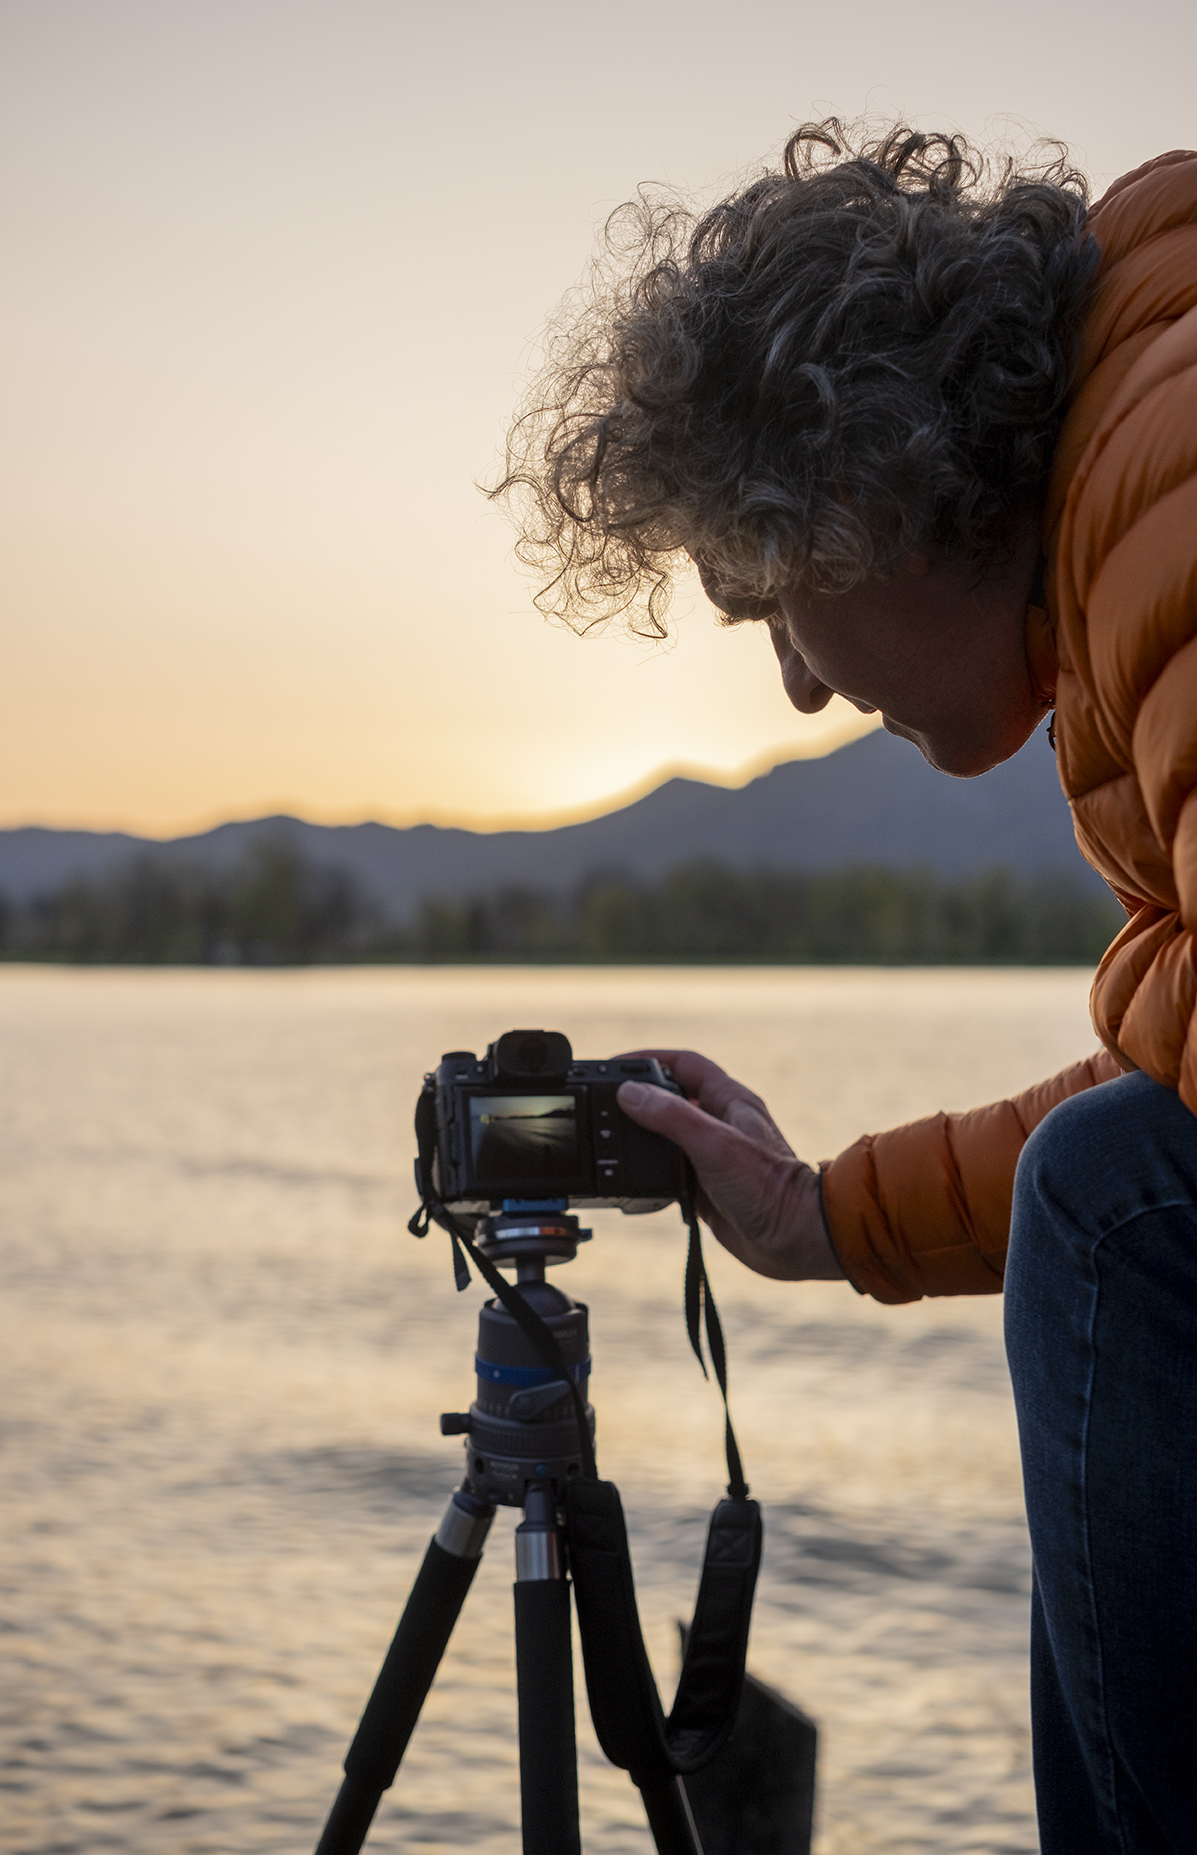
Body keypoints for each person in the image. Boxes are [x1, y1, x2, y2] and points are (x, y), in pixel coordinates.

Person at [494, 123, 1197, 1852]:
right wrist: (819, 1216)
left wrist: (1146, 1003)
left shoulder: (1167, 465)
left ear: (866, 489)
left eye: (770, 603)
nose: (802, 686)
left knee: (1103, 1204)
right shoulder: (1134, 468)